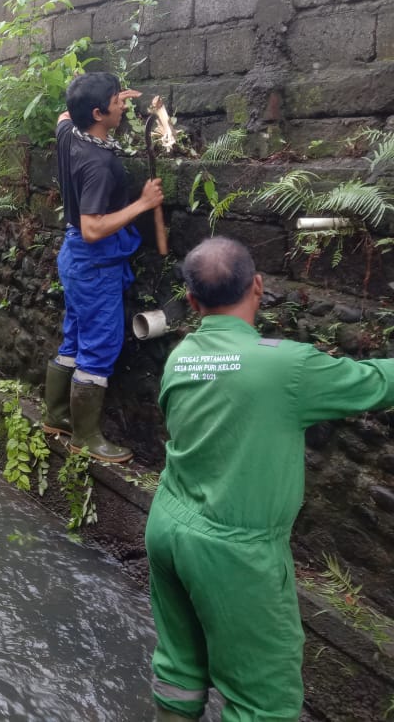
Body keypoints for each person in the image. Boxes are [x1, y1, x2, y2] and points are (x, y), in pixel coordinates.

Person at [147, 236, 394, 721]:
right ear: (258, 286)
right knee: (265, 701)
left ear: (193, 302)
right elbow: (378, 384)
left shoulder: (181, 356)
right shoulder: (288, 367)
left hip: (168, 527)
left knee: (179, 669)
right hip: (235, 550)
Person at [41, 72, 164, 462]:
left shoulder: (70, 133)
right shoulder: (97, 163)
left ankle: (57, 416)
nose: (124, 104)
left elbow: (64, 114)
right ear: (97, 113)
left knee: (75, 339)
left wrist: (103, 95)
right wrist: (143, 205)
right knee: (100, 346)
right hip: (94, 263)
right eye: (117, 101)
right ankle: (85, 438)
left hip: (74, 259)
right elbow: (93, 228)